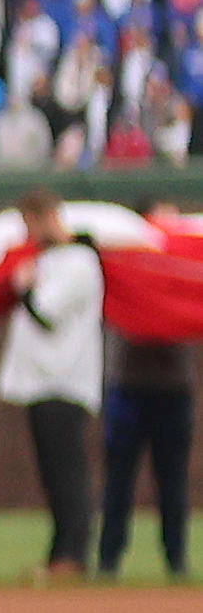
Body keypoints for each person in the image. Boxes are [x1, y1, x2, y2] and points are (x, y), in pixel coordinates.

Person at [0, 190, 101, 583]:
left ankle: (73, 554)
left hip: (64, 380)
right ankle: (60, 551)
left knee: (67, 471)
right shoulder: (53, 259)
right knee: (52, 471)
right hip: (41, 381)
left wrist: (24, 287)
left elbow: (46, 313)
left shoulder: (79, 262)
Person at [102, 246, 193, 583]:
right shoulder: (122, 270)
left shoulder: (179, 272)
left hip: (173, 391)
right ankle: (108, 559)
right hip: (127, 390)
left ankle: (177, 559)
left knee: (172, 480)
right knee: (118, 480)